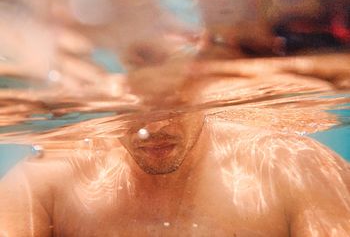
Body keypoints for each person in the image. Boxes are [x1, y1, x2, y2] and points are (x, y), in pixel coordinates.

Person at [0, 49, 350, 237]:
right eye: (131, 106)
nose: (154, 125)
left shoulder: (298, 170)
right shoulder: (43, 182)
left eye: (175, 101)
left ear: (204, 91)